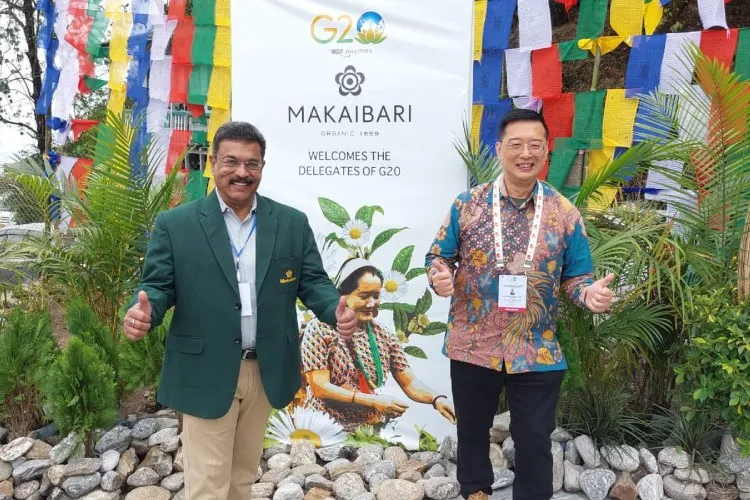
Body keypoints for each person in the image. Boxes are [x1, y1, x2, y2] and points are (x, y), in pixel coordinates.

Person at [122, 121, 357, 500]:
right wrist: (144, 312)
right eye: (231, 161)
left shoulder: (291, 224)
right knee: (208, 485)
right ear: (213, 162)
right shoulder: (176, 225)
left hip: (266, 368)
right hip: (206, 367)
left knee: (242, 477)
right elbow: (158, 287)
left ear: (262, 167)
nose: (242, 172)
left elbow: (313, 283)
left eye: (252, 163)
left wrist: (336, 310)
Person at [425, 109, 614, 500]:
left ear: (546, 151)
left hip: (536, 346)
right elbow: (437, 256)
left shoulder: (564, 213)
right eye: (516, 144)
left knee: (533, 438)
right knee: (472, 430)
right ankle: (474, 492)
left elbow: (577, 278)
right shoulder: (468, 204)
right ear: (499, 150)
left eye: (534, 145)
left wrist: (589, 295)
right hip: (474, 342)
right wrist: (439, 275)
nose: (525, 153)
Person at [300, 257, 457, 432]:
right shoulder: (320, 329)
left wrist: (437, 399)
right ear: (342, 296)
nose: (371, 303)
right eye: (363, 296)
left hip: (367, 431)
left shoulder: (382, 334)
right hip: (321, 427)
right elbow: (319, 387)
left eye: (376, 296)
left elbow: (409, 382)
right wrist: (373, 401)